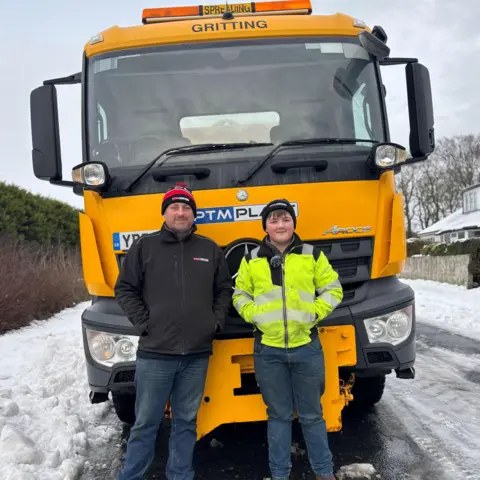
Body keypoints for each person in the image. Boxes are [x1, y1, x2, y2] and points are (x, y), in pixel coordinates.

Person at [114, 182, 232, 480]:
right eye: (174, 207)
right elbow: (125, 288)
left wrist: (214, 323)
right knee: (145, 423)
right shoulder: (144, 247)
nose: (181, 213)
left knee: (186, 422)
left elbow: (223, 290)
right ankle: (131, 476)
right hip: (155, 354)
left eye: (186, 208)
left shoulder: (209, 249)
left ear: (194, 214)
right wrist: (144, 323)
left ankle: (180, 475)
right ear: (165, 213)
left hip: (196, 355)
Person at [233, 199, 343, 480]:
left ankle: (324, 472)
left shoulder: (311, 255)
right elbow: (239, 294)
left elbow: (333, 289)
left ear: (293, 223)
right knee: (278, 416)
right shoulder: (252, 258)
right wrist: (253, 315)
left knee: (312, 415)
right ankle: (279, 474)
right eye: (273, 220)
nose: (280, 225)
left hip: (306, 347)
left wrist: (313, 313)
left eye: (285, 219)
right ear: (265, 226)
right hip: (268, 350)